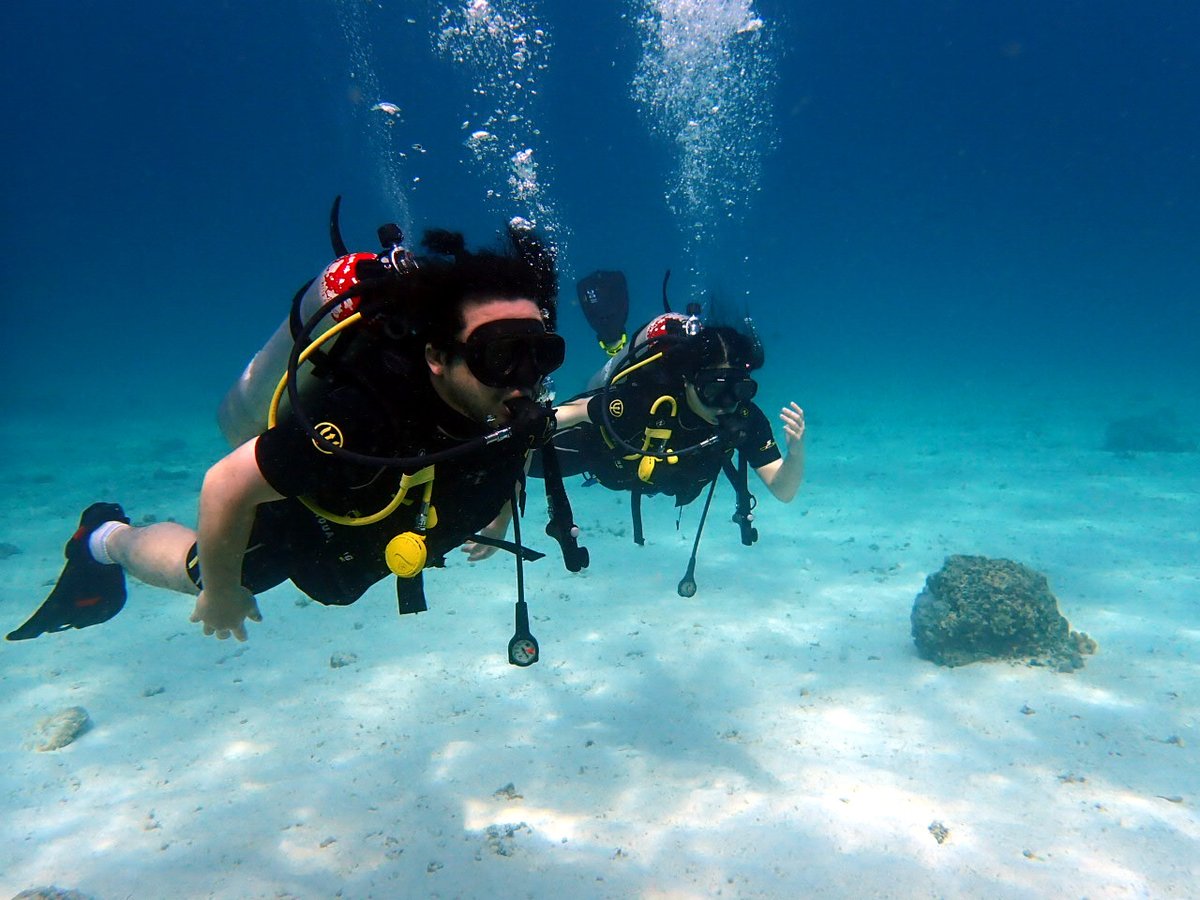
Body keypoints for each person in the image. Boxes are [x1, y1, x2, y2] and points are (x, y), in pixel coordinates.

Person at [8, 215, 584, 660]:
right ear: (436, 356)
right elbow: (226, 483)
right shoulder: (364, 414)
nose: (523, 378)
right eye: (500, 355)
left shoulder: (506, 406)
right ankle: (104, 537)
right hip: (308, 523)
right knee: (203, 570)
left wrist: (496, 517)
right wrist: (222, 595)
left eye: (539, 355)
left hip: (374, 537)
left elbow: (518, 444)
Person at [533, 270, 805, 595]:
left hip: (652, 473)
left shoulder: (743, 417)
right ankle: (614, 342)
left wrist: (796, 453)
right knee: (525, 462)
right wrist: (526, 424)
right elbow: (573, 412)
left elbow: (783, 489)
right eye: (714, 391)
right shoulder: (645, 398)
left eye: (740, 390)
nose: (727, 405)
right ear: (688, 381)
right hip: (604, 457)